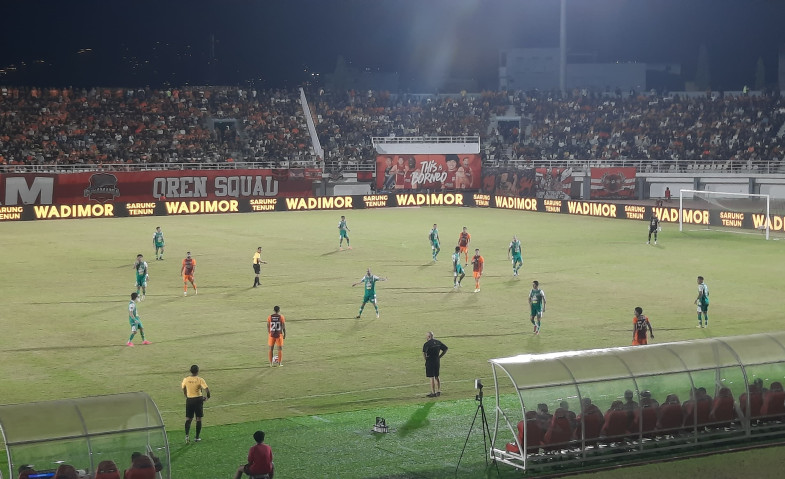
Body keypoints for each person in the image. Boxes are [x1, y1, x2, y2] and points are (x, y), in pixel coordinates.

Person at [182, 364, 210, 443]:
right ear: (197, 371)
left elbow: (183, 388)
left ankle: (187, 436)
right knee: (198, 418)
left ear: (190, 371)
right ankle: (197, 437)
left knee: (188, 418)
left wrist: (186, 395)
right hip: (198, 400)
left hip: (189, 400)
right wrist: (207, 397)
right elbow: (207, 390)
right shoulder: (200, 379)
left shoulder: (186, 379)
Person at [422, 331, 448, 397]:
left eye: (426, 336)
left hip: (430, 361)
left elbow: (424, 353)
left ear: (429, 336)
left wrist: (426, 359)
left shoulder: (427, 344)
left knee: (431, 377)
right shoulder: (438, 342)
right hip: (437, 361)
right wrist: (440, 356)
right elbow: (445, 349)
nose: (426, 337)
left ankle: (433, 393)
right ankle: (438, 391)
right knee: (437, 376)